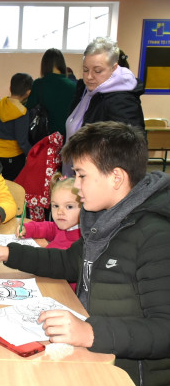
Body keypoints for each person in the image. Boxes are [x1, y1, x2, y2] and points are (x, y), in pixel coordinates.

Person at [0, 121, 170, 386]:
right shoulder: (108, 218)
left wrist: (89, 332)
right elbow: (69, 262)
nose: (77, 186)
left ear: (117, 178)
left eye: (82, 176)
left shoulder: (156, 236)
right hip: (91, 355)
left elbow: (165, 330)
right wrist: (5, 252)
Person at [64, 37, 145, 176]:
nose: (89, 76)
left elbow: (134, 147)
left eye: (97, 71)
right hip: (78, 174)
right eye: (85, 69)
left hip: (99, 181)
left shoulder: (122, 100)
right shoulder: (85, 91)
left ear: (114, 68)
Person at [16, 172, 81, 291]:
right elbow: (49, 227)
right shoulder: (63, 227)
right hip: (44, 280)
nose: (60, 212)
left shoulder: (83, 239)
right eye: (56, 206)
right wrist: (28, 228)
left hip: (61, 291)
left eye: (69, 207)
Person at [0, 73, 33, 181]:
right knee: (13, 190)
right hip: (13, 158)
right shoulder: (22, 112)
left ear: (10, 88)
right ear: (28, 93)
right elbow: (22, 142)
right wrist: (33, 154)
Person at [26, 48, 77, 139]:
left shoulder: (38, 84)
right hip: (66, 136)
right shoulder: (73, 86)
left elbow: (28, 108)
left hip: (44, 137)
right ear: (62, 64)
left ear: (44, 64)